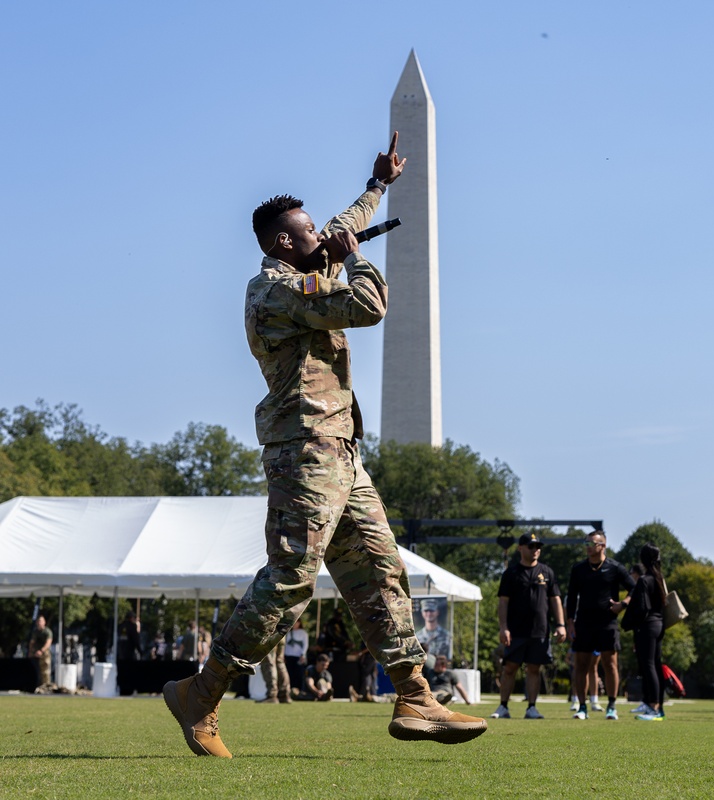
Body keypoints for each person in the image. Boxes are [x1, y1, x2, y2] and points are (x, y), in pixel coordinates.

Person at [162, 133, 486, 758]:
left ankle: (415, 695)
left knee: (379, 571)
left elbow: (337, 227)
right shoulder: (276, 291)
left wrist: (377, 186)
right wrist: (358, 257)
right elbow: (367, 305)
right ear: (284, 242)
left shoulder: (304, 265)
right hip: (304, 450)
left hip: (341, 452)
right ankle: (202, 693)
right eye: (309, 233)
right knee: (289, 582)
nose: (323, 239)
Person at [491, 532, 566, 720]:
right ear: (520, 548)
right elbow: (503, 602)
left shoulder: (547, 572)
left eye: (538, 547)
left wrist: (560, 624)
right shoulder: (511, 573)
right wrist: (503, 627)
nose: (535, 550)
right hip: (515, 630)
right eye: (531, 546)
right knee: (510, 668)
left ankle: (531, 708)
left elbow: (555, 600)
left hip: (540, 630)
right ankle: (503, 707)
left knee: (534, 669)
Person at [565, 529, 636, 720]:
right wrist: (569, 622)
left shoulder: (615, 567)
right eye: (586, 544)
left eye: (592, 544)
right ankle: (582, 707)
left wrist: (623, 604)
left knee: (610, 664)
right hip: (583, 623)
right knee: (581, 665)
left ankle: (611, 706)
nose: (587, 548)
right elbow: (571, 598)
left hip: (607, 623)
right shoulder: (578, 569)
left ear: (602, 546)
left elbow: (635, 589)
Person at [622, 544, 668, 721]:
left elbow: (641, 608)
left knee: (648, 666)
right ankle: (658, 707)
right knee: (656, 665)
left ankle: (653, 706)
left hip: (647, 626)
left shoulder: (644, 580)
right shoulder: (659, 578)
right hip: (659, 624)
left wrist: (629, 623)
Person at [257, 636, 291, 704]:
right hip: (282, 633)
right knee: (280, 662)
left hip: (270, 634)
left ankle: (272, 695)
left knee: (268, 663)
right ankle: (284, 694)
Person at [283, 619, 309, 695]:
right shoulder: (288, 633)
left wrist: (303, 654)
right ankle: (289, 690)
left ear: (299, 623)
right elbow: (285, 645)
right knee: (289, 673)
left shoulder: (303, 633)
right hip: (288, 656)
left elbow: (305, 645)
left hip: (298, 657)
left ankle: (299, 690)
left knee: (299, 674)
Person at [28, 615, 53, 690]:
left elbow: (48, 643)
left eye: (41, 621)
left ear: (44, 622)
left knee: (45, 670)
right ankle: (36, 686)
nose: (39, 623)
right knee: (35, 670)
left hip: (44, 653)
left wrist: (41, 651)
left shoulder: (47, 631)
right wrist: (31, 651)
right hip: (35, 652)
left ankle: (46, 686)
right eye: (38, 621)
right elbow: (32, 642)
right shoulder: (35, 632)